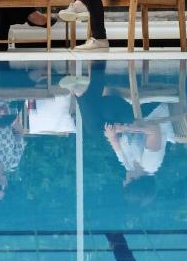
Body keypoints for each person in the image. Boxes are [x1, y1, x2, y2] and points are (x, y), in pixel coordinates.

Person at [74, 61, 176, 203]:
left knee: (95, 128)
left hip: (129, 118)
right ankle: (81, 92)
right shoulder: (151, 163)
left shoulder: (129, 166)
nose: (123, 181)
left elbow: (115, 143)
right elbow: (154, 130)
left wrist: (111, 134)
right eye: (126, 183)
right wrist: (125, 128)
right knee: (99, 109)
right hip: (149, 114)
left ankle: (89, 81)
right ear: (136, 182)